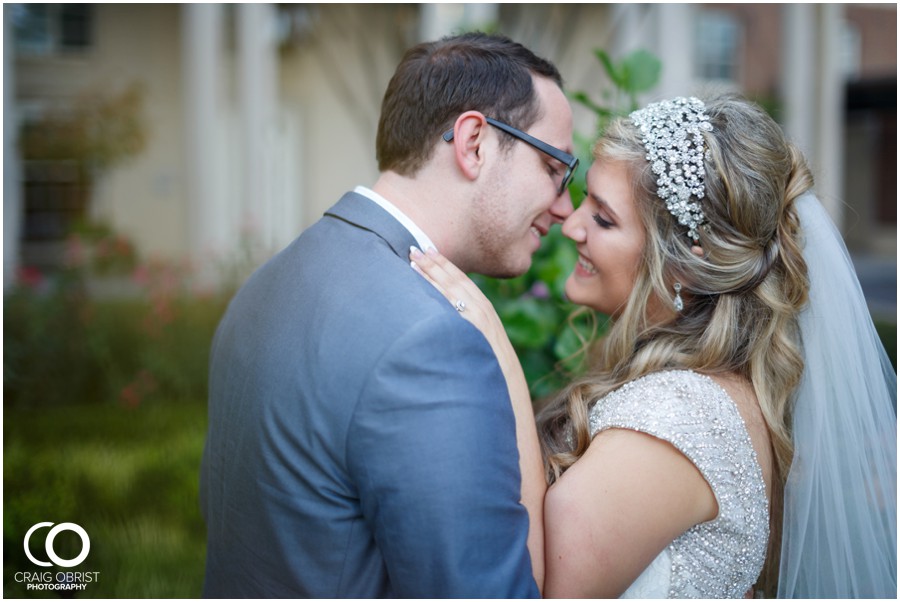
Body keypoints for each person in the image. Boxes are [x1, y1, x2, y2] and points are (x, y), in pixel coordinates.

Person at [411, 94, 897, 597]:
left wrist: (500, 357)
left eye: (603, 219)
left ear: (682, 264)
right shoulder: (706, 393)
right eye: (585, 202)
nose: (571, 225)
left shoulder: (677, 419)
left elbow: (535, 591)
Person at [199, 32, 577, 597]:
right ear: (473, 142)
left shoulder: (267, 281)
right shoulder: (430, 343)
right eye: (555, 167)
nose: (565, 206)